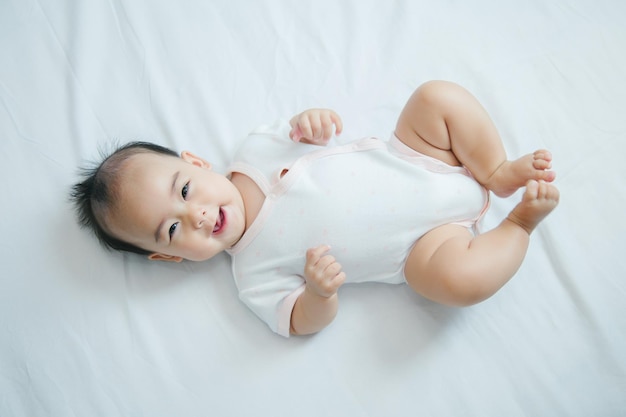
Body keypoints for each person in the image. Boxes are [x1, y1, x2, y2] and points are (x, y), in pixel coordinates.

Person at [71, 80, 559, 337]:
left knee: (435, 97)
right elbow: (301, 322)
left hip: (418, 157)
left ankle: (495, 170)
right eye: (173, 230)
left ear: (196, 163)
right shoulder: (253, 277)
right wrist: (319, 296)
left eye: (185, 192)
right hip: (426, 248)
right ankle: (518, 224)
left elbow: (307, 129)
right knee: (456, 283)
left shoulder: (256, 147)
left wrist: (314, 120)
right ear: (171, 257)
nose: (197, 215)